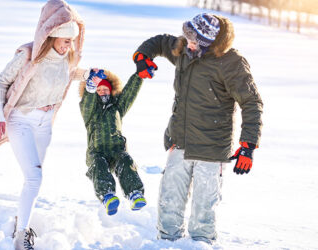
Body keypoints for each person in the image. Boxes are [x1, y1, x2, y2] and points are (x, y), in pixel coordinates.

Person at [0, 1, 86, 249]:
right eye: (65, 40)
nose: (69, 45)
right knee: (34, 178)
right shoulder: (28, 55)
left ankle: (21, 222)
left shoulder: (65, 58)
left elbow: (69, 73)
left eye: (72, 41)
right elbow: (1, 82)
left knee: (33, 179)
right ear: (52, 36)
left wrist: (91, 75)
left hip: (44, 123)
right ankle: (21, 237)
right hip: (20, 119)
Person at [133, 13, 263, 244]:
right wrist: (142, 56)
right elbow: (161, 41)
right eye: (187, 38)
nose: (188, 44)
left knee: (204, 208)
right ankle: (166, 243)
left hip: (212, 148)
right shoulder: (184, 49)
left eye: (194, 41)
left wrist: (248, 145)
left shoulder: (231, 63)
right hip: (180, 139)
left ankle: (201, 245)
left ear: (208, 43)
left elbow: (251, 102)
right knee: (169, 199)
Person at [79, 67, 156, 215]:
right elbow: (86, 103)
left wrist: (138, 76)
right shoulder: (89, 112)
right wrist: (90, 88)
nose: (103, 92)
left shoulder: (117, 108)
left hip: (116, 150)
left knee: (126, 160)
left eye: (105, 89)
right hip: (97, 152)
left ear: (111, 91)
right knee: (99, 165)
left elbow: (129, 94)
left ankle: (135, 193)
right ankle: (107, 196)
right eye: (99, 89)